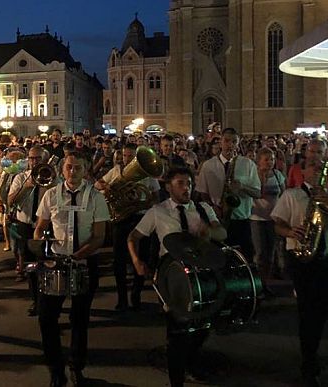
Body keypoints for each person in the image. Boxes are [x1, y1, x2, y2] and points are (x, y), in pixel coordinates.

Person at [128, 167, 226, 387]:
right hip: (172, 275)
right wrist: (137, 261)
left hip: (201, 273)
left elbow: (222, 233)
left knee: (203, 324)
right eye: (181, 183)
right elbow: (133, 237)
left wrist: (209, 232)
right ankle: (176, 379)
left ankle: (190, 361)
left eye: (189, 183)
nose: (186, 188)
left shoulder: (203, 209)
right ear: (168, 187)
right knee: (177, 330)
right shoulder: (158, 211)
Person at [271, 158, 328, 387]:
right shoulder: (291, 195)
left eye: (320, 168)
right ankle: (308, 362)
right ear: (302, 172)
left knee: (322, 309)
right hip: (302, 260)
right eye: (312, 167)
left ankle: (312, 349)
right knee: (307, 311)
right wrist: (290, 231)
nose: (316, 171)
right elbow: (276, 224)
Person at [33, 151, 110, 386]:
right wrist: (40, 249)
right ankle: (55, 368)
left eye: (78, 167)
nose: (72, 171)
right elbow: (39, 228)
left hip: (85, 262)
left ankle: (77, 366)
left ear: (85, 169)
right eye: (69, 167)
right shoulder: (51, 195)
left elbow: (99, 236)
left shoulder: (96, 197)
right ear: (62, 169)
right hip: (56, 262)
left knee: (80, 318)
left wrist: (80, 255)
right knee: (47, 318)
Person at [95, 143, 160, 311]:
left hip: (141, 218)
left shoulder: (147, 175)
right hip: (121, 220)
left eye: (131, 156)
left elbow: (155, 197)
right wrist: (105, 186)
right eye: (125, 156)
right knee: (119, 260)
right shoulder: (116, 171)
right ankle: (122, 297)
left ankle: (136, 293)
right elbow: (98, 184)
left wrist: (141, 203)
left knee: (141, 257)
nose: (127, 159)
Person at [196, 127, 261, 259]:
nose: (230, 145)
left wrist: (242, 187)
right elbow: (202, 192)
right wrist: (213, 208)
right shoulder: (208, 165)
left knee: (245, 258)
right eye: (226, 141)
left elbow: (257, 193)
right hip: (217, 220)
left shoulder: (248, 164)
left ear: (238, 143)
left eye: (234, 141)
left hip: (241, 220)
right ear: (220, 142)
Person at [8, 146, 52, 314]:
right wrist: (26, 186)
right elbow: (10, 200)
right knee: (30, 265)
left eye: (38, 159)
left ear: (45, 160)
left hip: (45, 226)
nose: (34, 162)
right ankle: (35, 300)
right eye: (32, 158)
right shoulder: (20, 177)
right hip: (25, 225)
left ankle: (48, 300)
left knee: (47, 264)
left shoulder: (52, 177)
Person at [251, 148, 286, 292]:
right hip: (257, 218)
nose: (270, 162)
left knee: (271, 252)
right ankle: (259, 284)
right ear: (259, 161)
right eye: (266, 159)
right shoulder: (253, 176)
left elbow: (283, 194)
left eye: (272, 159)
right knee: (260, 253)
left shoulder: (277, 175)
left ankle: (267, 282)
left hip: (273, 218)